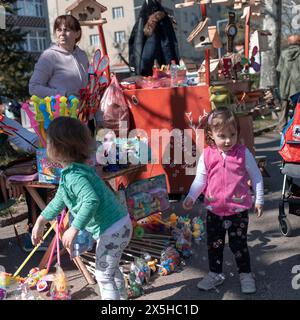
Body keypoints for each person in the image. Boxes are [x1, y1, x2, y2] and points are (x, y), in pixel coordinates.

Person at [31, 117, 132, 300]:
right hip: (118, 225)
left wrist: (74, 228)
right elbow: (59, 201)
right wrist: (40, 220)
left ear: (58, 147)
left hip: (113, 229)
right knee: (111, 268)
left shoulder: (75, 176)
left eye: (48, 141)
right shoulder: (73, 171)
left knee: (102, 274)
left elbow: (91, 201)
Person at [182, 107, 264, 294]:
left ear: (237, 133)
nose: (228, 140)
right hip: (214, 210)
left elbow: (257, 176)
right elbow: (200, 180)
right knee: (214, 245)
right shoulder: (207, 155)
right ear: (211, 134)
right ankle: (215, 273)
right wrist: (190, 197)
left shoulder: (243, 154)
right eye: (222, 136)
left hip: (238, 210)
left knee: (239, 245)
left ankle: (245, 274)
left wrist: (259, 199)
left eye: (232, 134)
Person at [29, 14, 89, 98]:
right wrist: (64, 94)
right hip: (59, 110)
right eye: (59, 30)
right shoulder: (49, 56)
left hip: (83, 110)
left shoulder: (82, 55)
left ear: (77, 33)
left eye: (66, 30)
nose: (62, 34)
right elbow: (33, 88)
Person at [128, 0, 180, 76]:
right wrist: (171, 65)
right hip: (156, 71)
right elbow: (165, 46)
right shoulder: (160, 18)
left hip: (146, 70)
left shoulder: (142, 17)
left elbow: (134, 44)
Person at [276, 34, 300, 132]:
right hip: (298, 87)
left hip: (285, 85)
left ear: (289, 42)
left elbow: (279, 69)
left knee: (284, 109)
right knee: (298, 109)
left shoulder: (283, 53)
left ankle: (282, 130)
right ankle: (296, 130)